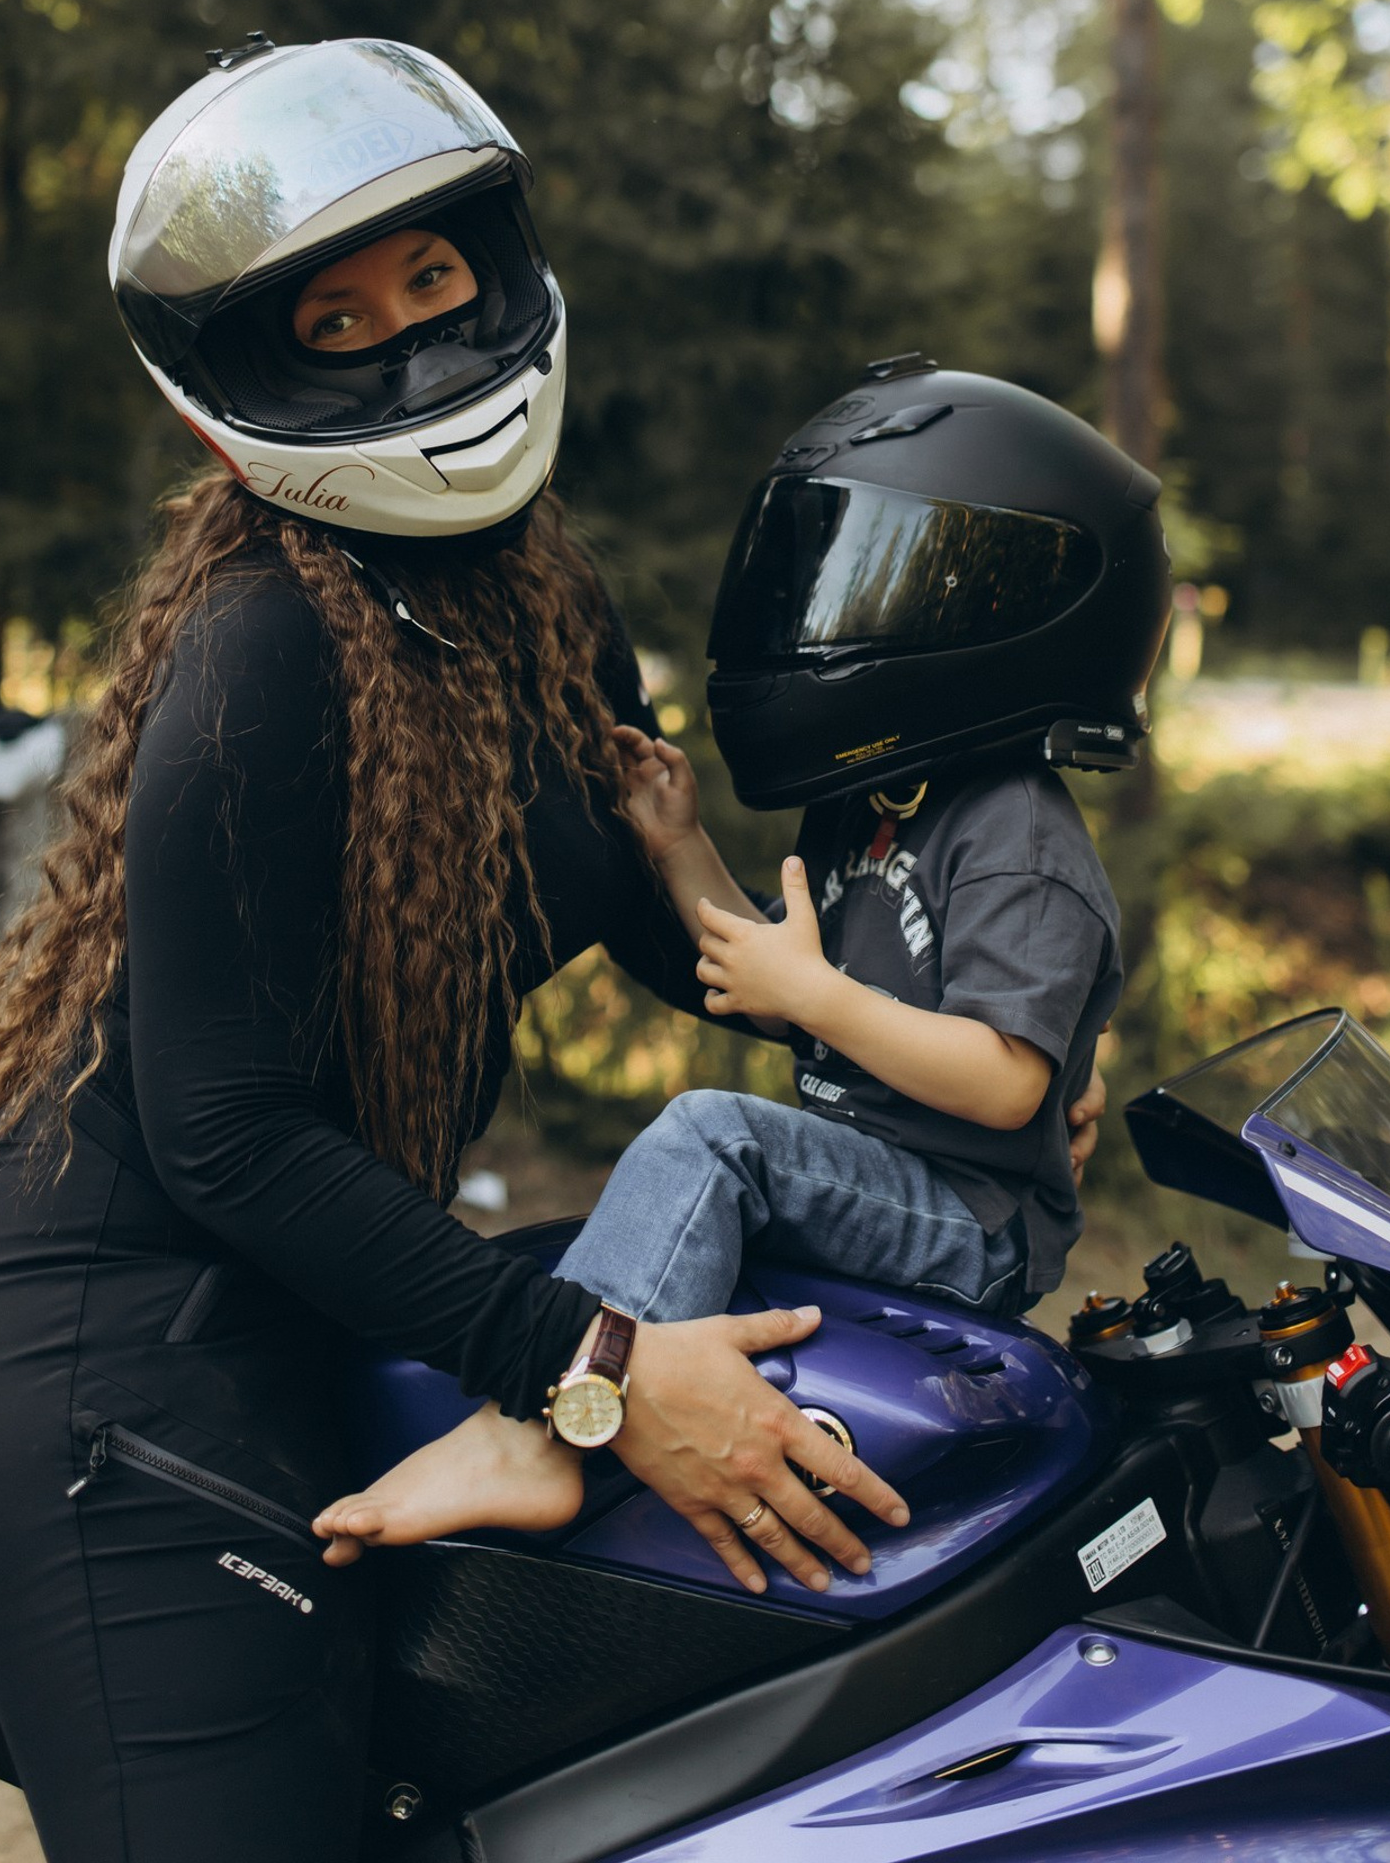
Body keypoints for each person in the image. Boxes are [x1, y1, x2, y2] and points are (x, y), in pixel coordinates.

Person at [0, 37, 934, 1863]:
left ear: (495, 264)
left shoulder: (539, 592)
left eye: (431, 280)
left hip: (310, 1301)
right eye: (334, 322)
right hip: (102, 1354)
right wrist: (596, 1369)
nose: (407, 343)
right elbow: (221, 1132)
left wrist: (932, 1062)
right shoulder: (259, 654)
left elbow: (671, 933)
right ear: (242, 383)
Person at [315, 365, 1168, 1557]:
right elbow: (773, 972)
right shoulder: (879, 802)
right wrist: (678, 846)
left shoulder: (1016, 836)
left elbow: (1008, 1082)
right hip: (882, 1168)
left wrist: (813, 994)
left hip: (969, 1215)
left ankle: (544, 1438)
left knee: (709, 1136)